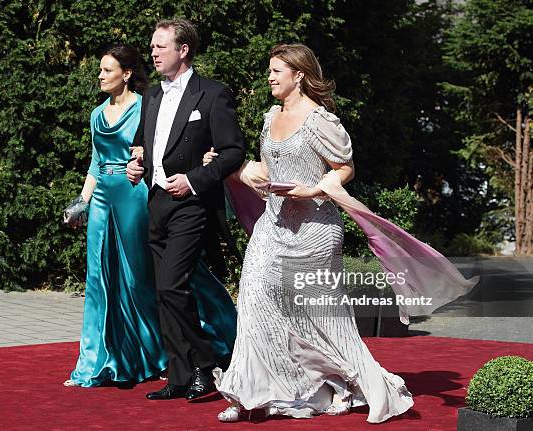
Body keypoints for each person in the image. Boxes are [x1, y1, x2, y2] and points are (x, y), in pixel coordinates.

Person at [212, 43, 476, 423]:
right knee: (254, 304)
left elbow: (344, 168)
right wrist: (241, 172)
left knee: (325, 317)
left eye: (276, 71)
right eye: (269, 70)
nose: (269, 77)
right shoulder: (271, 117)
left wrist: (313, 189)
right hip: (274, 223)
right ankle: (246, 395)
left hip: (316, 229)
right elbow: (271, 170)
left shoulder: (321, 120)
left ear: (298, 75)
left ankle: (352, 383)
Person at [63, 44, 237, 388]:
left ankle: (164, 354)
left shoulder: (147, 104)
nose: (100, 75)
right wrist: (81, 201)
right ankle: (96, 361)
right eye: (100, 69)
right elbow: (96, 162)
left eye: (107, 70)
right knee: (101, 280)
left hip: (138, 196)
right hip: (102, 199)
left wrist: (198, 165)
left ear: (126, 74)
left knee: (142, 279)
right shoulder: (97, 114)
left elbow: (166, 148)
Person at [126, 19, 246, 401]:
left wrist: (194, 179)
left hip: (192, 203)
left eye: (161, 46)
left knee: (171, 286)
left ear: (184, 50)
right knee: (164, 294)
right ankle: (179, 375)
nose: (154, 53)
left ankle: (206, 362)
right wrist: (137, 164)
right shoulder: (151, 96)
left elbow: (233, 151)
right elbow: (143, 143)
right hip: (157, 201)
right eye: (152, 47)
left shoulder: (212, 94)